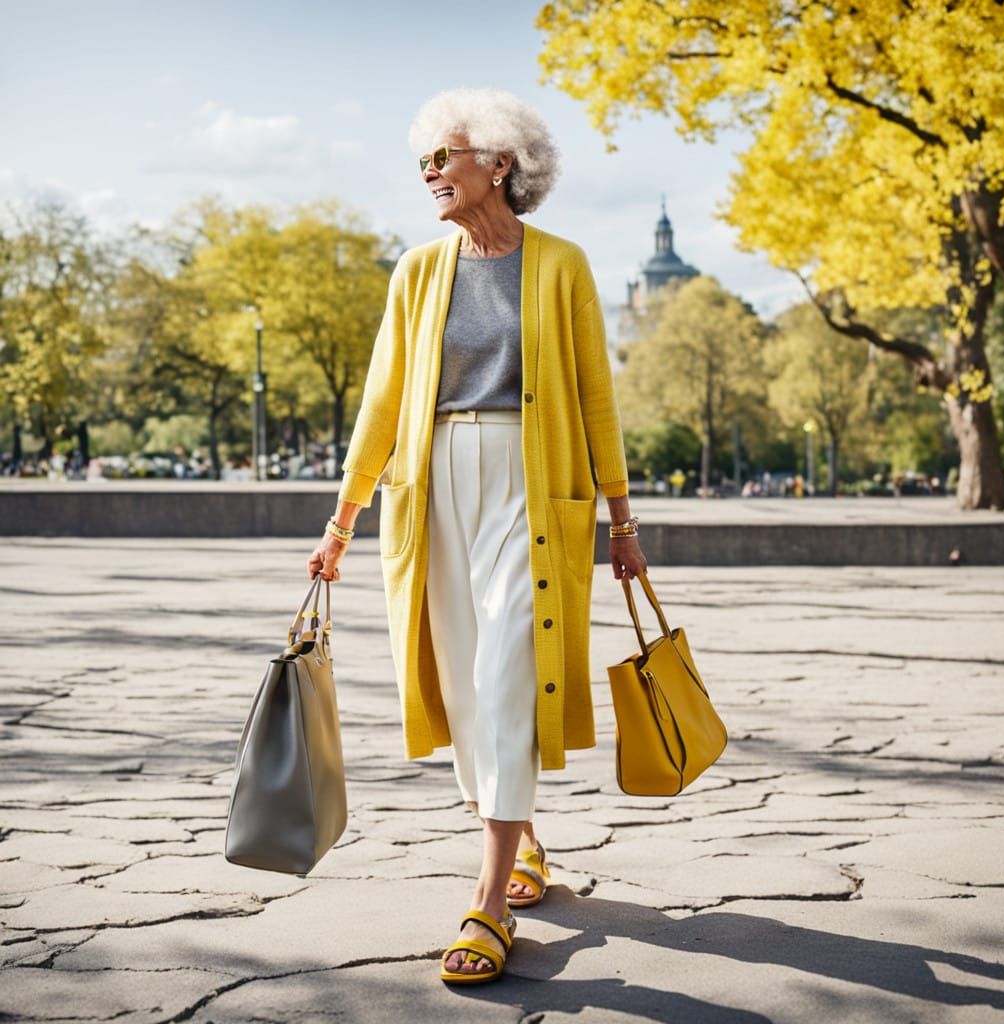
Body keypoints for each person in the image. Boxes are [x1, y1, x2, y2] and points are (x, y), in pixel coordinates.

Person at [307, 87, 647, 985]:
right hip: (431, 490)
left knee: (505, 673)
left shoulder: (562, 264)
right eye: (424, 160)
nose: (429, 172)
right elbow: (382, 401)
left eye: (444, 156)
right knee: (463, 685)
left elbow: (596, 399)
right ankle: (524, 838)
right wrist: (343, 520)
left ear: (499, 162)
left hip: (532, 488)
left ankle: (489, 902)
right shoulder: (418, 270)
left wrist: (622, 517)